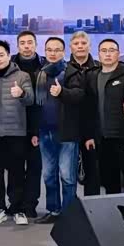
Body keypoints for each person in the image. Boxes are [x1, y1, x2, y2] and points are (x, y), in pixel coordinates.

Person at [0, 40, 35, 225]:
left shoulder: (22, 76)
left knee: (17, 173)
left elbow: (30, 99)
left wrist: (21, 93)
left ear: (8, 55)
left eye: (1, 55)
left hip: (16, 132)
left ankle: (18, 209)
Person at [84, 39, 124, 194]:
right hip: (102, 139)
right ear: (99, 54)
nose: (108, 54)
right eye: (104, 51)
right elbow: (88, 109)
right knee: (110, 183)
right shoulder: (92, 75)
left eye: (112, 50)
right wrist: (89, 135)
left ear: (118, 53)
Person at [33, 37, 82, 225]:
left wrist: (62, 92)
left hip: (67, 132)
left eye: (57, 50)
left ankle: (68, 213)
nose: (53, 53)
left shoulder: (71, 72)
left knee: (67, 176)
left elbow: (79, 95)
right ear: (45, 51)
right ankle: (53, 210)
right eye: (49, 50)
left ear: (63, 52)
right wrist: (35, 132)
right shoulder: (40, 73)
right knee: (48, 175)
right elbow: (36, 106)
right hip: (45, 132)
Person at [11, 31, 45, 219]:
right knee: (14, 167)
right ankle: (15, 203)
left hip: (36, 124)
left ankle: (30, 204)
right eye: (22, 43)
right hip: (14, 123)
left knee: (34, 167)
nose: (26, 46)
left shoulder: (44, 66)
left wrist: (37, 129)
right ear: (18, 46)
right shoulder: (9, 65)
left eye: (30, 42)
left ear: (35, 45)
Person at [68, 31, 101, 196]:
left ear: (89, 45)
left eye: (83, 43)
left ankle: (92, 206)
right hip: (69, 127)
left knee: (92, 171)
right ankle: (69, 207)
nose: (80, 46)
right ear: (70, 47)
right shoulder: (64, 69)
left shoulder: (99, 68)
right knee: (67, 172)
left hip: (92, 127)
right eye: (76, 43)